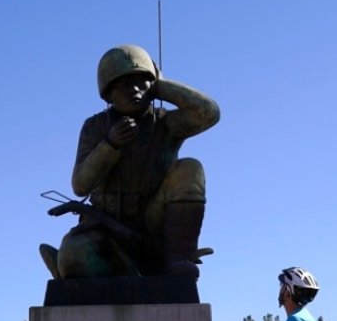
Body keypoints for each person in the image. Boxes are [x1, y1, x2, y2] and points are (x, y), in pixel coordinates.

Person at [42, 44, 220, 279]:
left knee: (190, 168)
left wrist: (163, 86)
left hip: (153, 224)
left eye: (142, 81)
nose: (134, 89)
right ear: (108, 92)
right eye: (124, 84)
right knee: (77, 260)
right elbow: (80, 186)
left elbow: (208, 113)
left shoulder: (165, 124)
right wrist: (110, 144)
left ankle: (177, 258)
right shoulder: (95, 127)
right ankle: (69, 264)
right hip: (104, 228)